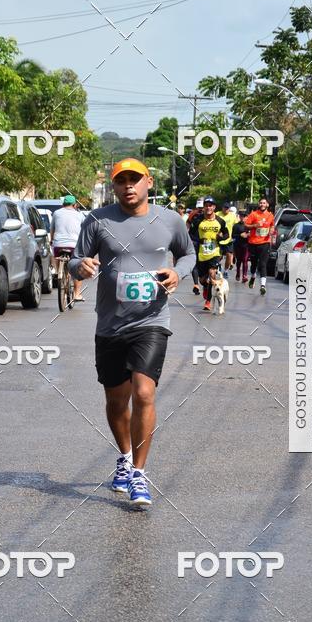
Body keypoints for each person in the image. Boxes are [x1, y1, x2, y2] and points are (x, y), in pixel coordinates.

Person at [69, 159, 195, 505]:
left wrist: (178, 273)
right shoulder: (97, 220)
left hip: (151, 321)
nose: (128, 186)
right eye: (121, 180)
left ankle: (139, 473)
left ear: (148, 182)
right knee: (116, 401)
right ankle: (125, 457)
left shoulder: (169, 220)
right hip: (110, 324)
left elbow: (188, 254)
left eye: (135, 179)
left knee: (143, 393)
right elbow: (75, 259)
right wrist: (80, 266)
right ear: (114, 186)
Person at [50, 194, 85, 301]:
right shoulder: (80, 215)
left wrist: (52, 241)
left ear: (63, 204)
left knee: (55, 255)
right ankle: (77, 294)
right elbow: (84, 230)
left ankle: (58, 272)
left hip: (58, 245)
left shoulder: (56, 213)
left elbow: (52, 229)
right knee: (78, 268)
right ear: (75, 205)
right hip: (74, 246)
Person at [195, 196, 227, 312]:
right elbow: (191, 233)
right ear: (204, 207)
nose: (208, 208)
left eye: (210, 206)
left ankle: (208, 301)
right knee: (202, 280)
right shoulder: (198, 220)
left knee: (212, 273)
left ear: (214, 207)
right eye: (206, 205)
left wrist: (220, 238)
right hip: (202, 253)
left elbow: (227, 234)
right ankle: (205, 287)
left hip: (215, 252)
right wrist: (198, 240)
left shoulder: (220, 221)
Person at [244, 198, 275, 295]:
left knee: (263, 264)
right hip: (253, 243)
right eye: (261, 203)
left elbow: (272, 225)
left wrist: (271, 230)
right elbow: (246, 226)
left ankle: (262, 286)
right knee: (253, 264)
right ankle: (253, 276)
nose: (262, 204)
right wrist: (255, 226)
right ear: (259, 204)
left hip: (265, 243)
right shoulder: (254, 214)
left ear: (267, 205)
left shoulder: (270, 215)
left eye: (264, 203)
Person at [186, 201, 205, 295]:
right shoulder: (193, 214)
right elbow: (187, 224)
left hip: (205, 242)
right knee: (195, 262)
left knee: (203, 263)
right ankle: (196, 284)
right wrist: (186, 235)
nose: (200, 210)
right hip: (194, 240)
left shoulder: (208, 215)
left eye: (202, 207)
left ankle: (203, 280)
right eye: (199, 208)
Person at [218, 202, 238, 271]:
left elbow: (237, 225)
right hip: (219, 239)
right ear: (222, 208)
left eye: (227, 208)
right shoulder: (217, 214)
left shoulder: (233, 216)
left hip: (228, 239)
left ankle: (225, 270)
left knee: (229, 255)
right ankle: (217, 265)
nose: (226, 209)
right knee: (219, 257)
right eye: (225, 208)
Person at [232, 210, 250, 283]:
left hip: (246, 245)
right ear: (239, 217)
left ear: (246, 217)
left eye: (244, 216)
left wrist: (248, 235)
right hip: (238, 245)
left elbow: (253, 234)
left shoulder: (249, 225)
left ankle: (244, 276)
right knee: (239, 260)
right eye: (241, 216)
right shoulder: (236, 226)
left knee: (245, 260)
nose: (243, 218)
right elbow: (233, 235)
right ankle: (238, 273)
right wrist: (240, 235)